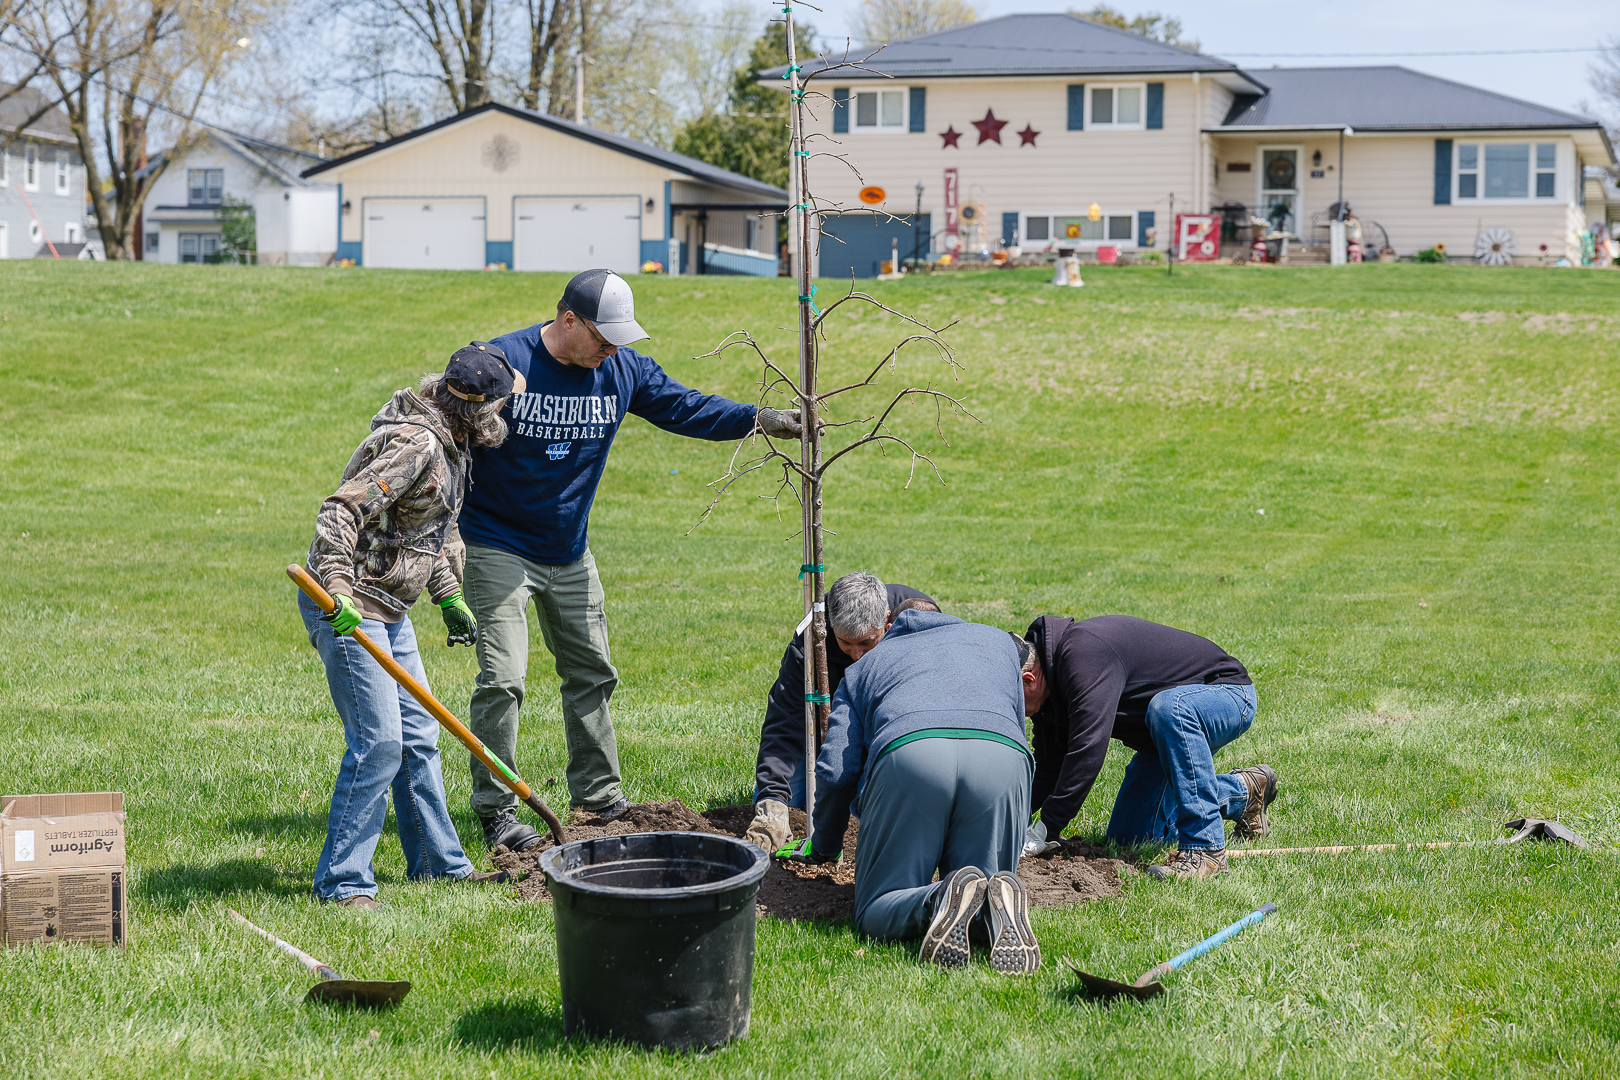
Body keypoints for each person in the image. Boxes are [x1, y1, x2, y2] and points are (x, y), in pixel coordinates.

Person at [460, 269, 807, 852]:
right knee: (503, 679)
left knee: (592, 672)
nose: (612, 349)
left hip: (569, 549)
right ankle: (496, 810)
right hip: (496, 543)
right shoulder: (504, 363)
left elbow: (687, 408)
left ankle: (597, 798)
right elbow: (445, 430)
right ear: (569, 321)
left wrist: (760, 419)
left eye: (621, 339)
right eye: (603, 337)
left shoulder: (621, 370)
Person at [299, 343, 523, 907]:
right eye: (499, 405)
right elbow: (341, 510)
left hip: (391, 605)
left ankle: (438, 867)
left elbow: (436, 527)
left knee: (420, 738)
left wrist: (448, 595)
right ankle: (343, 883)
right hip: (351, 603)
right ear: (476, 408)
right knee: (380, 745)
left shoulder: (455, 443)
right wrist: (338, 592)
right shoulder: (415, 444)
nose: (503, 414)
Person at [783, 609, 1039, 974]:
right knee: (984, 884)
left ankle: (939, 899)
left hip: (912, 758)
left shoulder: (863, 669)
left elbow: (837, 773)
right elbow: (1016, 723)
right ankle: (991, 911)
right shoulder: (998, 643)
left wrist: (825, 845)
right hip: (1002, 760)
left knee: (877, 907)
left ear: (891, 627)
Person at [1019, 615, 1278, 880]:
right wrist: (1015, 817)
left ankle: (1206, 850)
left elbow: (1088, 749)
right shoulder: (1047, 695)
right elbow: (1050, 765)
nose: (1017, 711)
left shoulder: (1082, 655)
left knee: (1169, 707)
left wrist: (1048, 827)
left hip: (1225, 695)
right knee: (1129, 839)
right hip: (1163, 733)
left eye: (1015, 700)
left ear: (1029, 680)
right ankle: (1243, 792)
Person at [742, 572, 937, 851]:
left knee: (870, 816)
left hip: (891, 738)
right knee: (794, 807)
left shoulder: (918, 618)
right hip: (828, 734)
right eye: (846, 643)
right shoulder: (811, 641)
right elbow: (784, 722)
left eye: (867, 643)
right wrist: (772, 799)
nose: (856, 655)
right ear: (830, 627)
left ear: (887, 619)